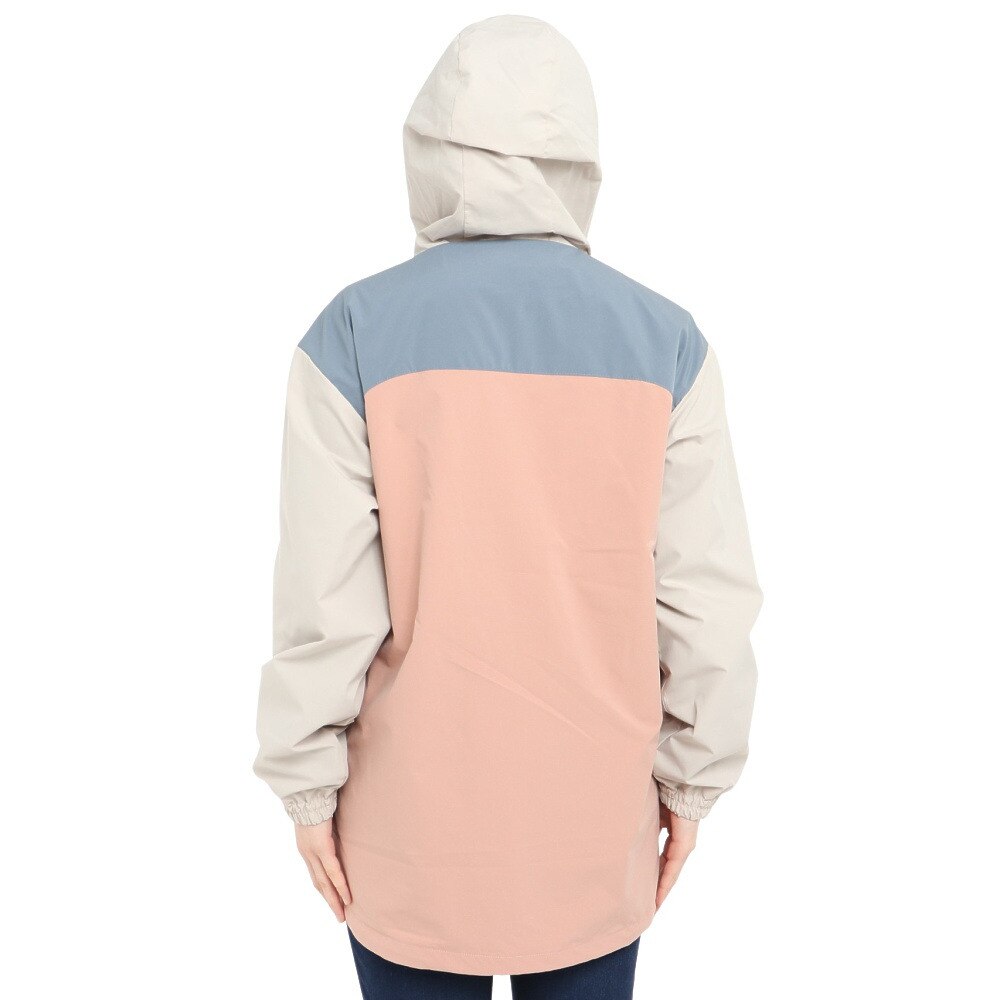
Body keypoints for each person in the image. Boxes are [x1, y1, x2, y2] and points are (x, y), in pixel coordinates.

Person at [253, 14, 761, 999]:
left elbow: (325, 598)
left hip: (405, 834)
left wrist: (306, 787)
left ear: (430, 151)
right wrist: (693, 781)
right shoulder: (667, 343)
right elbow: (705, 597)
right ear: (578, 160)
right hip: (592, 829)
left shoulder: (353, 333)